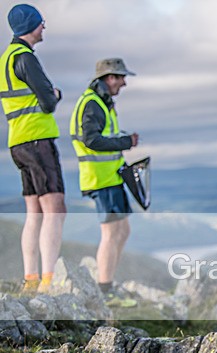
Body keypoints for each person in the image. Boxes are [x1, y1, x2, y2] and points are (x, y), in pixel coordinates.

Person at [1, 4, 65, 294]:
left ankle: (31, 279)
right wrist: (55, 94)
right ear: (31, 25)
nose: (44, 27)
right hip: (38, 140)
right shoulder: (26, 58)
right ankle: (49, 280)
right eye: (41, 23)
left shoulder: (6, 58)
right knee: (55, 209)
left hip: (17, 142)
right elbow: (48, 101)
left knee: (34, 212)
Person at [70, 58, 139, 308]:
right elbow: (92, 140)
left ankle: (108, 284)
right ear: (109, 77)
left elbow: (102, 137)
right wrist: (125, 142)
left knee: (123, 231)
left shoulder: (102, 103)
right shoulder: (92, 103)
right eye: (121, 77)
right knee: (111, 234)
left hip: (111, 176)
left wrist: (122, 139)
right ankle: (105, 290)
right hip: (100, 179)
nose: (124, 83)